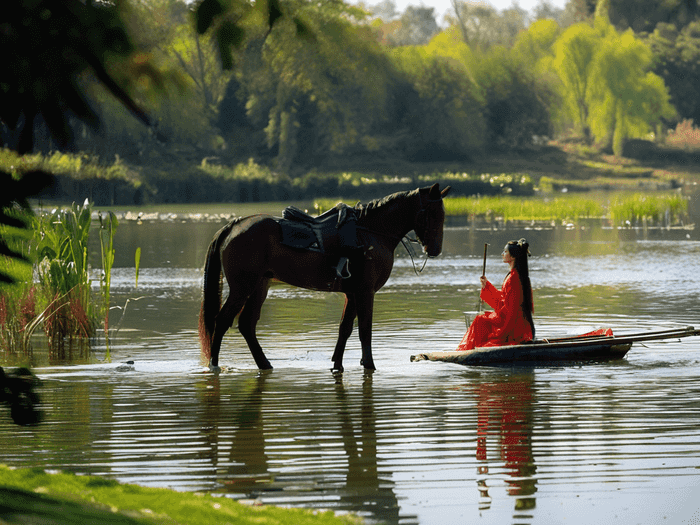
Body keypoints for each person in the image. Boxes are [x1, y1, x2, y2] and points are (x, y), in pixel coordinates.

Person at [456, 239, 535, 351]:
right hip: (514, 320)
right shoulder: (514, 275)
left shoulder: (514, 278)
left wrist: (488, 291)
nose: (502, 254)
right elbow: (505, 300)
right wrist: (487, 286)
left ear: (512, 257)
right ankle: (473, 350)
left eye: (505, 252)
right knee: (483, 318)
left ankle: (473, 351)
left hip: (513, 325)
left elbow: (510, 309)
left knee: (480, 320)